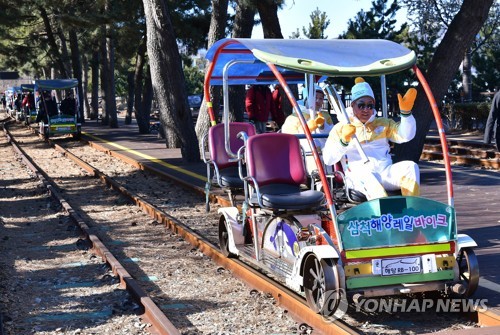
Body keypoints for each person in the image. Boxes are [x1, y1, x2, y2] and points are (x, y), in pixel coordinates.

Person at [323, 77, 420, 200]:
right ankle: (385, 216)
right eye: (361, 105)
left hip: (384, 172)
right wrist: (344, 141)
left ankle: (412, 212)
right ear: (352, 105)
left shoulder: (383, 123)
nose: (366, 110)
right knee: (368, 177)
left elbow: (405, 136)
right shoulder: (341, 127)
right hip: (357, 177)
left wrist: (406, 114)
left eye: (370, 105)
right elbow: (328, 159)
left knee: (410, 167)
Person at [281, 85, 335, 174]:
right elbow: (289, 139)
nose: (318, 101)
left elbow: (333, 134)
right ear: (307, 99)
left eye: (321, 98)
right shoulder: (295, 117)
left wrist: (323, 127)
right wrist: (308, 129)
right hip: (305, 153)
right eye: (315, 98)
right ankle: (317, 180)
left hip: (324, 152)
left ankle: (330, 179)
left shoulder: (325, 116)